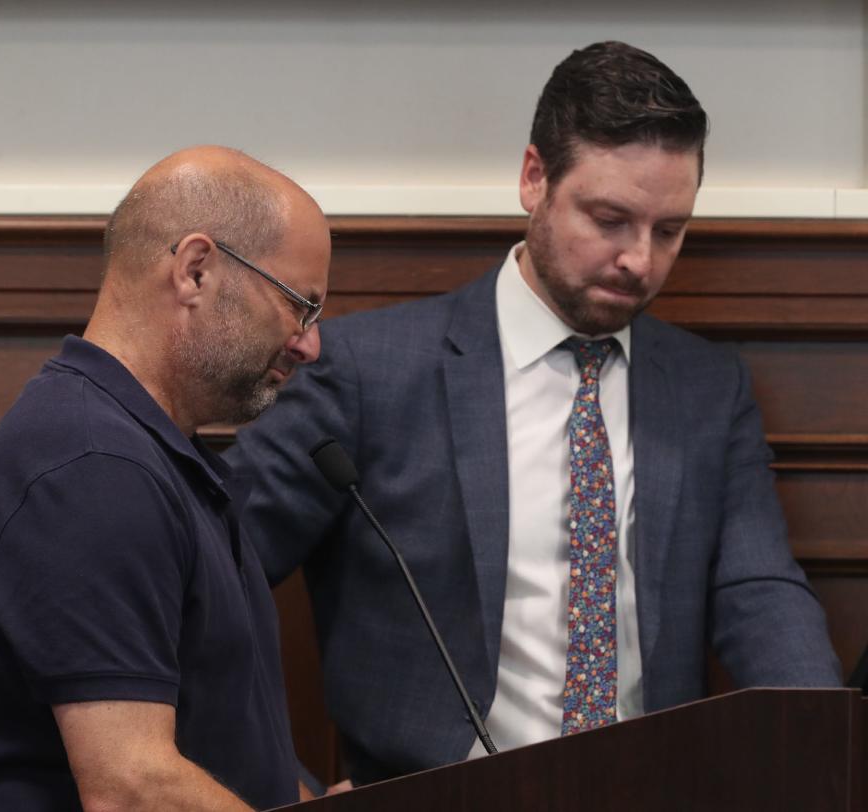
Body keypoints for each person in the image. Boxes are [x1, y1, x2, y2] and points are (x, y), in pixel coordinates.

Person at [227, 41, 841, 786]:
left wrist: (828, 756)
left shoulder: (707, 388)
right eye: (610, 219)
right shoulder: (365, 374)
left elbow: (761, 594)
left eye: (670, 230)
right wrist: (285, 788)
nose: (640, 261)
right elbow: (210, 579)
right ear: (534, 178)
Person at [0, 146, 330, 810]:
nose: (310, 343)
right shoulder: (91, 467)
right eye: (300, 306)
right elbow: (132, 787)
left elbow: (217, 742)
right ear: (196, 271)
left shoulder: (148, 455)